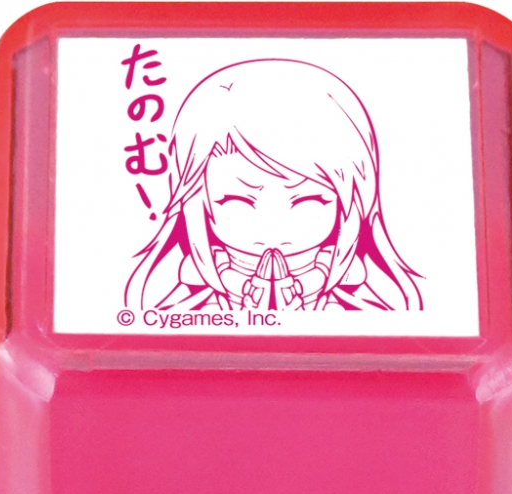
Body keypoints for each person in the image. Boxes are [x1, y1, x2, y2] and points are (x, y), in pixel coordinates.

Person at [124, 58, 423, 313]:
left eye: (309, 202)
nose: (273, 227)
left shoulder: (360, 298)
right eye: (237, 202)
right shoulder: (187, 298)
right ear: (196, 200)